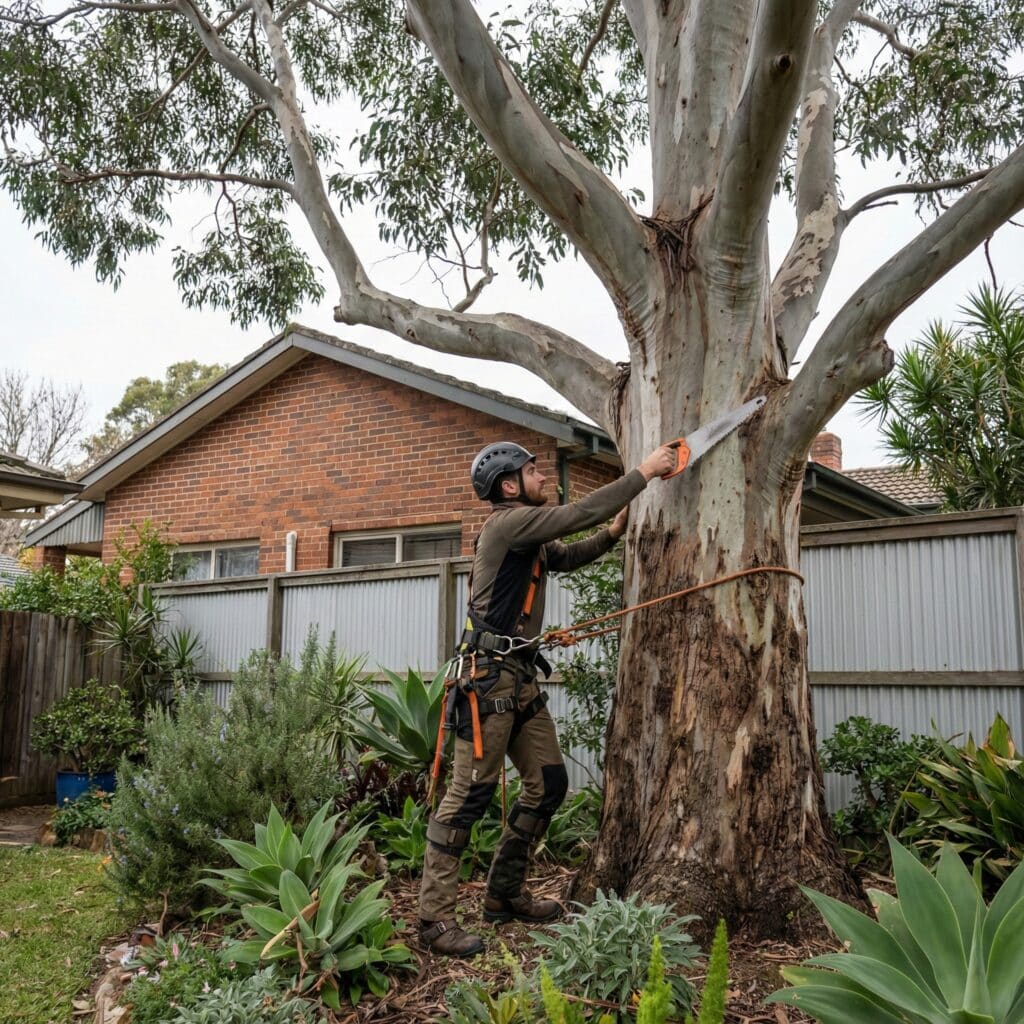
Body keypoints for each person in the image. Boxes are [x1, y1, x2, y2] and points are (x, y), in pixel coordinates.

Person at [418, 439, 677, 957]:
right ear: (509, 485)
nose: (544, 477)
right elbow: (575, 514)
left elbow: (569, 553)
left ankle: (504, 895)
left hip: (519, 678)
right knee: (469, 796)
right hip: (487, 680)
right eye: (534, 471)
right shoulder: (507, 525)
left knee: (549, 783)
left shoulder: (528, 539)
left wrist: (612, 534)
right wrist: (645, 472)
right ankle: (432, 920)